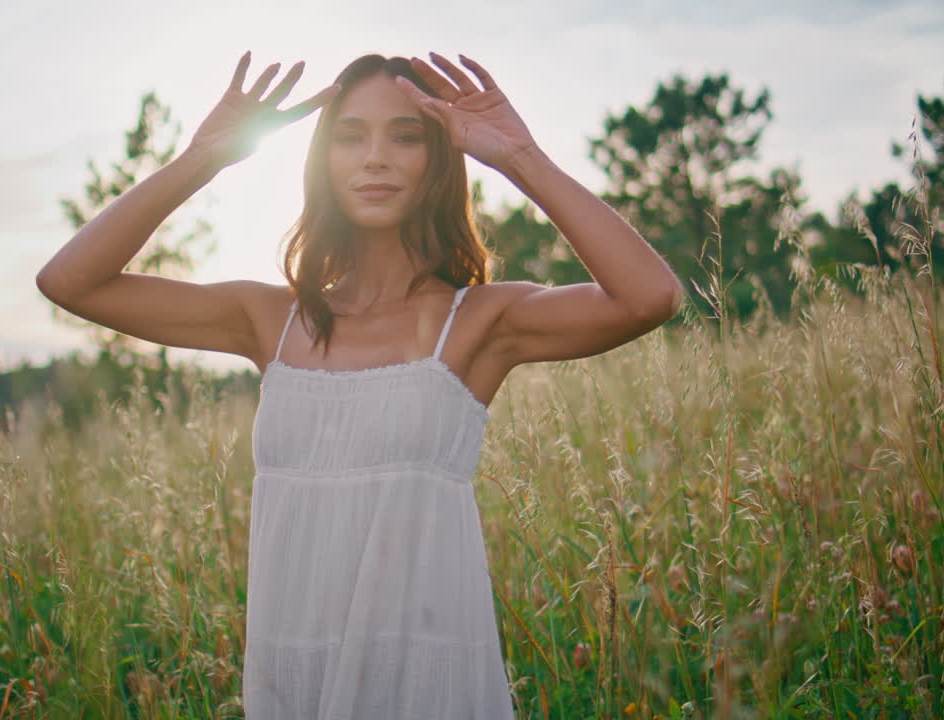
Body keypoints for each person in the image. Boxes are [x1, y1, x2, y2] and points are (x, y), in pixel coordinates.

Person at [37, 50, 682, 719]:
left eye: (406, 136)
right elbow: (70, 282)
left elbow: (649, 296)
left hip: (424, 674)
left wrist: (520, 157)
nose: (375, 157)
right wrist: (202, 158)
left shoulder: (479, 322)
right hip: (296, 670)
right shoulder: (270, 320)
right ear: (322, 161)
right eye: (350, 136)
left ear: (439, 158)